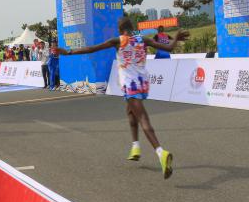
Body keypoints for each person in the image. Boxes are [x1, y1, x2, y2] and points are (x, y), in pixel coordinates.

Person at [57, 17, 189, 179]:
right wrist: (176, 38)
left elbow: (92, 49)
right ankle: (135, 147)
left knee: (143, 118)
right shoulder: (143, 39)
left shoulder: (118, 41)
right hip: (143, 83)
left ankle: (161, 152)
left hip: (130, 85)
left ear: (120, 30)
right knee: (130, 111)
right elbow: (169, 48)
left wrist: (69, 52)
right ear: (131, 28)